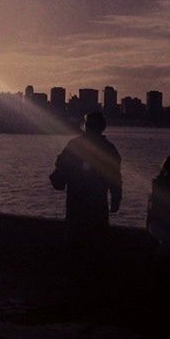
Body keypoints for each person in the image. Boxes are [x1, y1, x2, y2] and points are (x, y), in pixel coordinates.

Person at [50, 111, 122, 282]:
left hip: (77, 200)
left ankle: (74, 277)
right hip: (96, 201)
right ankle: (93, 277)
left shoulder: (74, 145)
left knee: (75, 239)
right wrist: (116, 198)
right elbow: (115, 177)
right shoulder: (109, 149)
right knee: (96, 239)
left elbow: (60, 165)